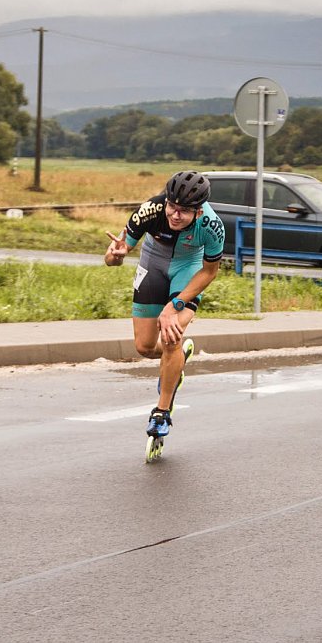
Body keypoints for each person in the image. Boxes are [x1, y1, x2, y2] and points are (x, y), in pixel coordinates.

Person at [104, 170, 225, 441]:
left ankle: (161, 412)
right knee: (145, 347)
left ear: (198, 212)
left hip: (188, 269)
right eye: (172, 207)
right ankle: (177, 359)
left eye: (184, 211)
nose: (175, 215)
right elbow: (111, 258)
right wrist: (116, 256)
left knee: (171, 337)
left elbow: (209, 272)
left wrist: (176, 304)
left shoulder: (212, 225)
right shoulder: (151, 209)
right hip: (152, 263)